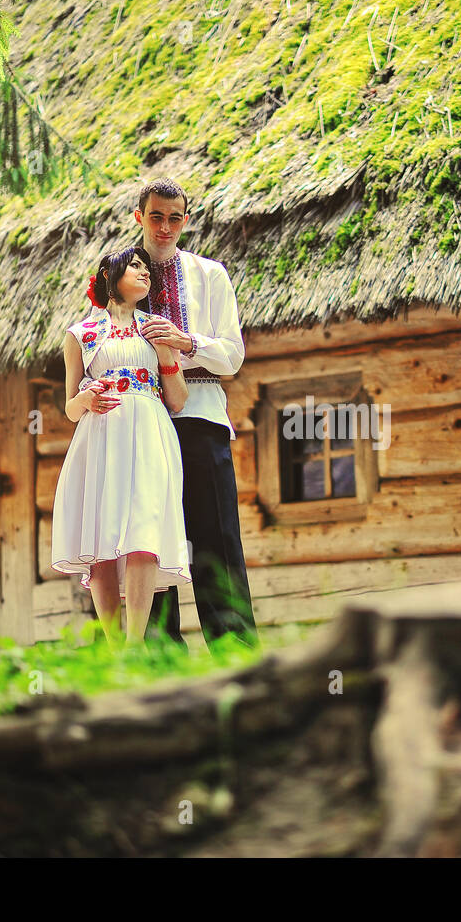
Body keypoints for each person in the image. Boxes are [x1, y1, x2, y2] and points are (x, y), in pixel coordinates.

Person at [128, 177, 259, 650]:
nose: (165, 227)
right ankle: (160, 661)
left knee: (217, 539)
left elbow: (232, 357)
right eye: (156, 216)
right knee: (147, 541)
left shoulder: (211, 275)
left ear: (186, 221)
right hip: (140, 423)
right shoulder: (115, 277)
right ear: (139, 216)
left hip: (202, 417)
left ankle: (237, 656)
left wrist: (187, 342)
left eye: (175, 217)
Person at [49, 245, 192, 648]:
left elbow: (178, 399)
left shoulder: (156, 328)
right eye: (134, 266)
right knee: (103, 535)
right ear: (110, 277)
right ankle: (114, 647)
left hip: (149, 431)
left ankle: (135, 643)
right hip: (101, 435)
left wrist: (165, 352)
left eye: (146, 267)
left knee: (145, 530)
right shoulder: (81, 335)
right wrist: (86, 399)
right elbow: (70, 409)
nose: (144, 272)